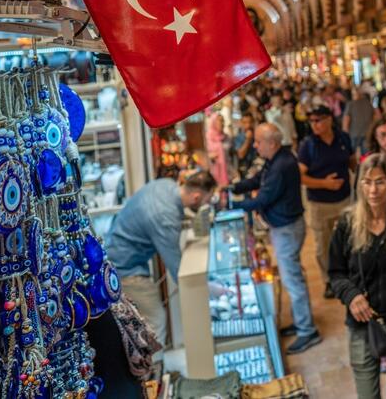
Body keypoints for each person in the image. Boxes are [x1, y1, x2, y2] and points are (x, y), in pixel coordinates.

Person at [328, 155, 386, 399]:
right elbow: (336, 273)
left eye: (380, 181)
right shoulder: (347, 224)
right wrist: (352, 296)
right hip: (363, 322)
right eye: (366, 182)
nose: (373, 190)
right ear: (358, 184)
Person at [231, 123, 321, 353]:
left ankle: (307, 331)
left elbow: (264, 198)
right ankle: (301, 322)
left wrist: (233, 204)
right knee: (292, 276)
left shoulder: (282, 164)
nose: (255, 145)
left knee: (293, 280)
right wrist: (235, 187)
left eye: (258, 142)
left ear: (271, 142)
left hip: (288, 229)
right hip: (285, 226)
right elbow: (258, 181)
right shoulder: (276, 159)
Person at [105, 171, 217, 345]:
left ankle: (152, 369)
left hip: (116, 258)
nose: (207, 204)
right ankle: (154, 371)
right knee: (156, 321)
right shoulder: (165, 217)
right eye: (207, 200)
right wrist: (209, 288)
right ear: (196, 197)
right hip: (125, 269)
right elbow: (179, 271)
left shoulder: (166, 184)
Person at [298, 105, 356, 299]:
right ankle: (329, 280)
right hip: (319, 204)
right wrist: (323, 184)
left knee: (349, 239)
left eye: (318, 120)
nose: (315, 125)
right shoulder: (308, 145)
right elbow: (300, 177)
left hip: (345, 200)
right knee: (323, 245)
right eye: (312, 121)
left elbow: (352, 162)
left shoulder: (343, 138)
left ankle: (350, 274)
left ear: (330, 119)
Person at [344, 85, 378, 156]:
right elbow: (376, 116)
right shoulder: (368, 103)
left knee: (352, 155)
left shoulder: (350, 104)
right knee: (366, 156)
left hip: (354, 134)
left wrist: (345, 134)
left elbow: (346, 120)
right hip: (367, 133)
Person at [205, 113, 230, 187]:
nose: (222, 123)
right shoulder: (208, 138)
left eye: (223, 121)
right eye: (220, 121)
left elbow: (232, 156)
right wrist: (210, 156)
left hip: (228, 174)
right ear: (213, 122)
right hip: (213, 175)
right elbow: (203, 157)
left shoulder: (226, 137)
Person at [233, 112, 257, 176]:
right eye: (245, 122)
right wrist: (248, 140)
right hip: (245, 170)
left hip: (257, 168)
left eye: (250, 122)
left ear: (253, 123)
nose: (248, 125)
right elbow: (240, 155)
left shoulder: (258, 135)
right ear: (241, 123)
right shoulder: (238, 137)